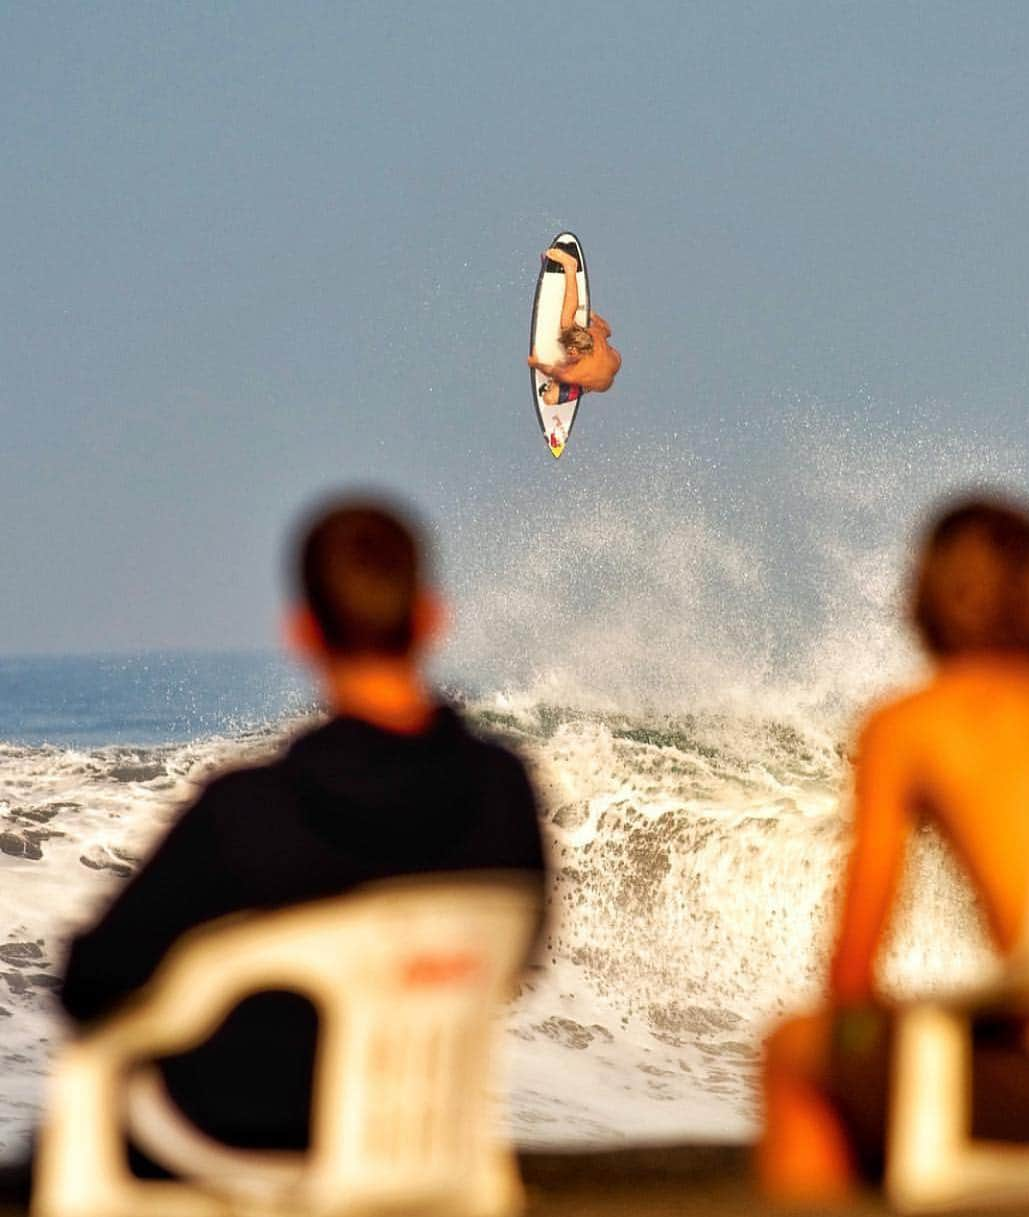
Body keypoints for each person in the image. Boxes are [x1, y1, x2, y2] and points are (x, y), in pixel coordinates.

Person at [59, 498, 547, 1160]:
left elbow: (90, 980)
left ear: (303, 632)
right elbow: (524, 951)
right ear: (432, 617)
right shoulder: (502, 789)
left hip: (241, 1147)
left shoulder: (247, 811)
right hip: (417, 1138)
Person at [758, 498, 1029, 1201]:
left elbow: (851, 976)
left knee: (799, 1049)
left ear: (930, 598)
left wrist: (859, 1045)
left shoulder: (913, 723)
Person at [528, 246, 621, 402]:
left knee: (548, 399)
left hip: (599, 380)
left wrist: (536, 363)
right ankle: (570, 268)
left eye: (570, 351)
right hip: (611, 365)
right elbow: (607, 329)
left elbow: (551, 370)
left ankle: (570, 267)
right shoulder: (596, 335)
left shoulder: (574, 373)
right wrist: (591, 314)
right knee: (566, 325)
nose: (569, 353)